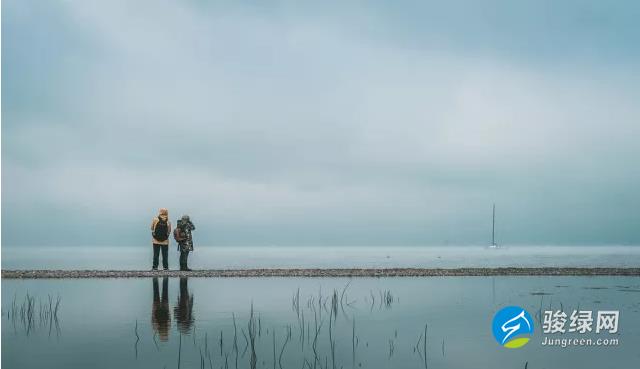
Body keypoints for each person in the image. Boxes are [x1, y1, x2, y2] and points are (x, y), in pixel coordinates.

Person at [151, 277, 170, 341]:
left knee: (161, 291)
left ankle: (156, 278)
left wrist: (154, 308)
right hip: (162, 308)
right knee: (162, 291)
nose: (165, 333)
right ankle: (157, 278)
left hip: (159, 308)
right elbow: (169, 317)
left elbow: (153, 318)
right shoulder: (157, 327)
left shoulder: (156, 327)